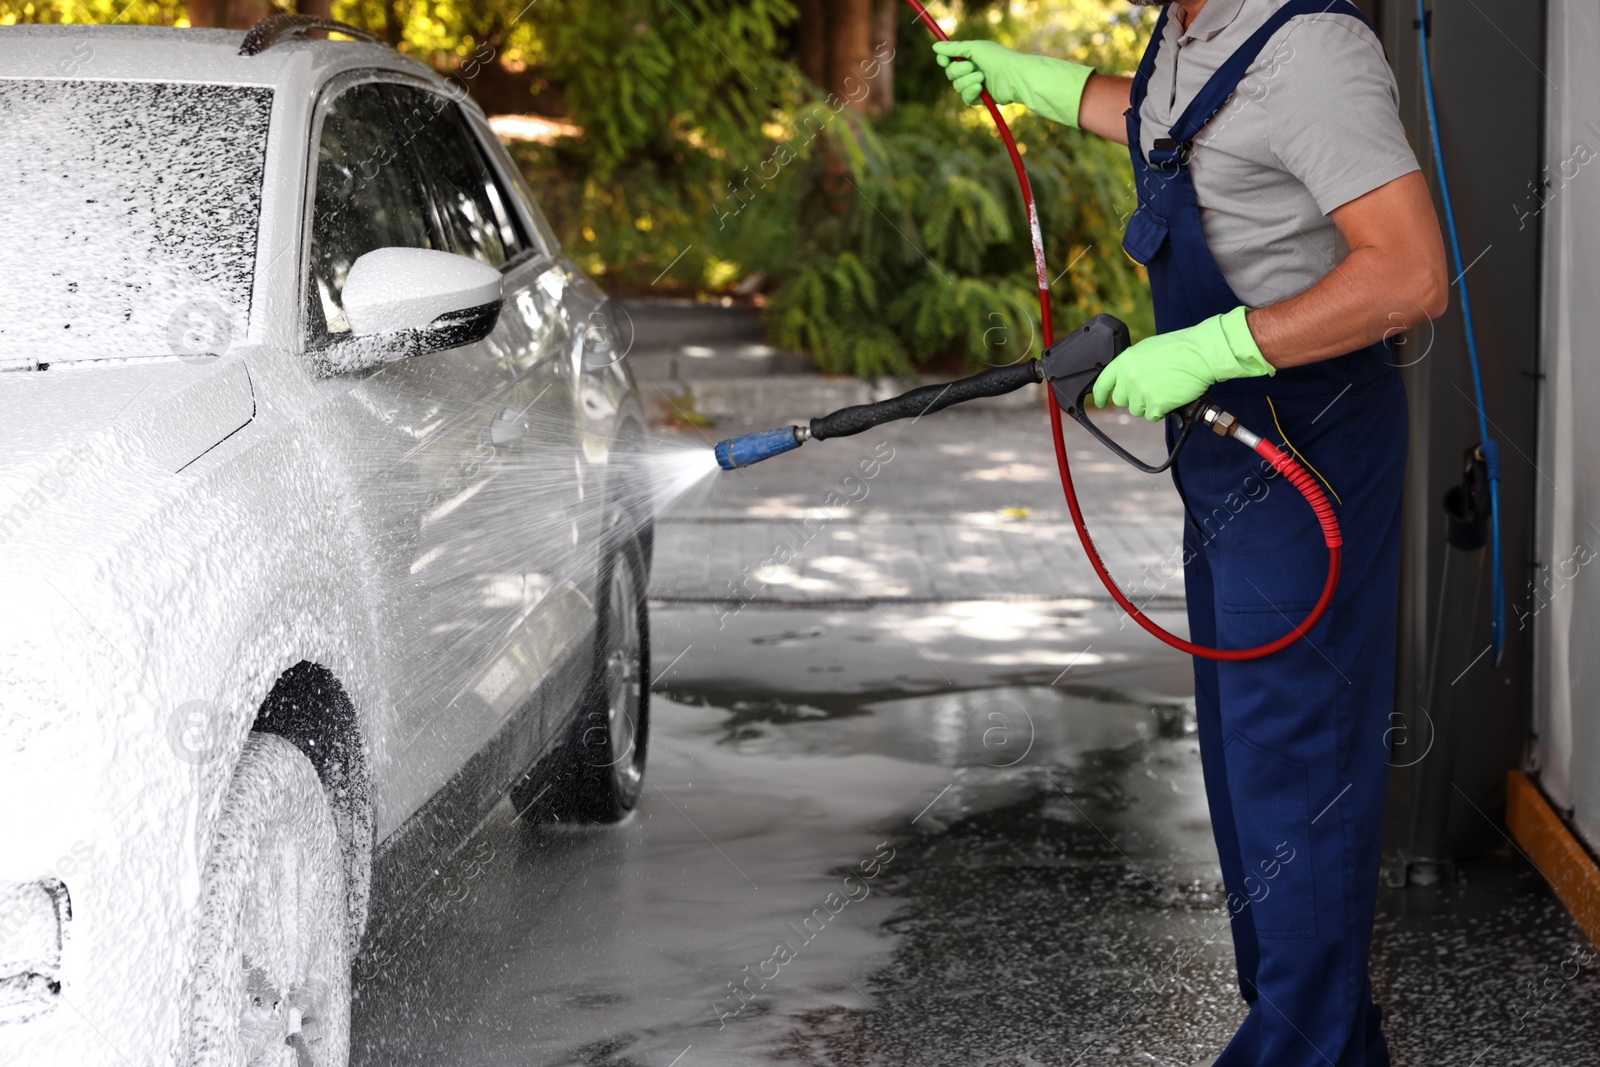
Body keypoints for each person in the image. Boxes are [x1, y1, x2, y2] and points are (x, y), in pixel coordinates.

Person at [935, 2, 1447, 1065]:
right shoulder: (1186, 23)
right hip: (1225, 440)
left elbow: (1405, 275)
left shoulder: (1315, 48)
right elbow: (1189, 129)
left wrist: (1214, 342)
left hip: (1305, 440)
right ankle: (1326, 1041)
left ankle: (1299, 1049)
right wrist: (1032, 79)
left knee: (1295, 766)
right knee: (1242, 760)